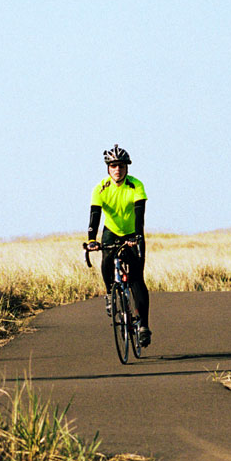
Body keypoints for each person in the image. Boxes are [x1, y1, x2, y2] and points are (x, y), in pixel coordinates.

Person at [87, 143, 150, 347]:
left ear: (127, 168)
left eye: (121, 166)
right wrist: (91, 240)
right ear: (108, 168)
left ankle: (143, 326)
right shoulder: (100, 188)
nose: (117, 169)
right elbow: (94, 216)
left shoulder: (136, 185)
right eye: (113, 165)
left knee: (136, 280)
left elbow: (140, 215)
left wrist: (137, 237)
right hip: (111, 232)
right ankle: (109, 293)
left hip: (132, 232)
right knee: (106, 260)